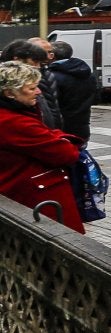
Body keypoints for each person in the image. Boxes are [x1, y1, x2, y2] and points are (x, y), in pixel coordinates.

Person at [0, 60, 83, 233]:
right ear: (9, 93)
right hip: (34, 201)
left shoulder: (16, 114)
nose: (38, 92)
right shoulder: (14, 122)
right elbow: (66, 154)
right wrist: (63, 139)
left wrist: (55, 136)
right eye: (31, 88)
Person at [3, 40, 62, 131]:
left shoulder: (43, 75)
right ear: (17, 59)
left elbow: (51, 107)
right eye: (35, 61)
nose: (38, 66)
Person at [46, 40, 97, 143]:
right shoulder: (88, 75)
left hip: (61, 130)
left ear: (52, 55)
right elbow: (96, 98)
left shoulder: (51, 77)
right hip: (82, 127)